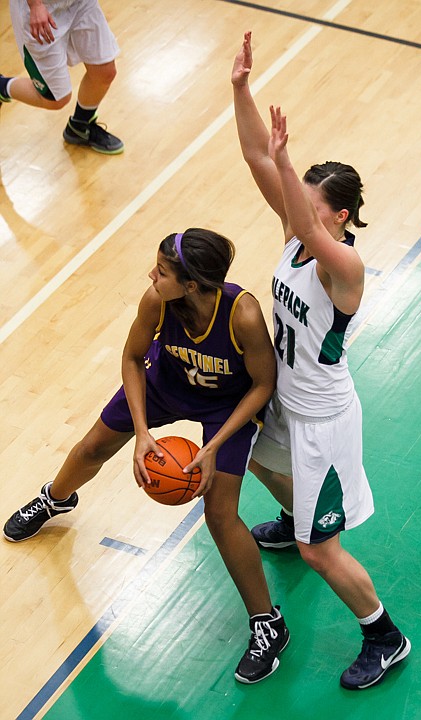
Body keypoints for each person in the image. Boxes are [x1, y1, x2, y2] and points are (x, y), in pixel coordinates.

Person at [3, 227, 289, 683]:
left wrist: (213, 446)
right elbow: (133, 358)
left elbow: (263, 384)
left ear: (192, 284)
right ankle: (56, 498)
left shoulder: (243, 315)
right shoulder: (156, 300)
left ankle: (267, 623)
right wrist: (140, 432)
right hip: (166, 386)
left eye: (161, 270)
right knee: (94, 445)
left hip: (226, 406)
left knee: (218, 513)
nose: (150, 274)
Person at [231, 31, 411, 691]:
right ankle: (293, 511)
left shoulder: (345, 269)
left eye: (310, 204)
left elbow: (302, 223)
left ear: (338, 216)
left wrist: (286, 161)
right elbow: (254, 152)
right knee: (257, 458)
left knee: (319, 550)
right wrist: (241, 88)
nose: (297, 210)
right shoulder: (297, 237)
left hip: (325, 423)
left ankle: (384, 635)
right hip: (285, 402)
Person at [0, 0, 123, 154]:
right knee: (56, 99)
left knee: (104, 71)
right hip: (41, 9)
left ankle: (80, 125)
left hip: (80, 3)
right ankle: (2, 86)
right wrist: (35, 5)